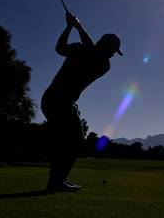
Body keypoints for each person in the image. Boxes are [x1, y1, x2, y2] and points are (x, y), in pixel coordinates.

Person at [42, 12, 123, 192]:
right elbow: (60, 48)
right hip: (57, 100)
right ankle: (56, 181)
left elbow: (92, 52)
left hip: (56, 100)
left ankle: (58, 179)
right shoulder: (85, 51)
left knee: (70, 140)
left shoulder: (103, 65)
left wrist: (76, 26)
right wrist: (70, 26)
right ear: (108, 47)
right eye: (112, 51)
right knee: (72, 140)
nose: (112, 56)